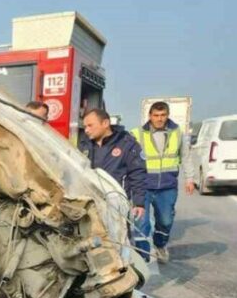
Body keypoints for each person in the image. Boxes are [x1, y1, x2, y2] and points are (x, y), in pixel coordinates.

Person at [128, 101, 196, 263]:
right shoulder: (137, 133)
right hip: (142, 186)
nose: (159, 119)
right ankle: (142, 257)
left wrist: (190, 178)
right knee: (141, 224)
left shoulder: (177, 133)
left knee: (165, 221)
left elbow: (185, 157)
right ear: (150, 116)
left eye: (163, 115)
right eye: (156, 115)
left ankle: (160, 245)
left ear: (167, 116)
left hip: (167, 187)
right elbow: (128, 159)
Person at [79, 109, 148, 248]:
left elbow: (137, 173)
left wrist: (139, 202)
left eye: (90, 125)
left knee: (119, 241)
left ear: (105, 123)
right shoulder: (84, 144)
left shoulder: (127, 144)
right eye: (85, 126)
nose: (86, 130)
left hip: (116, 204)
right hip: (90, 202)